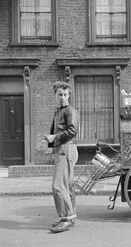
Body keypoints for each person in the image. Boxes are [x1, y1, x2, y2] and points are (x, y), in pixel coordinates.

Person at [44, 81, 79, 233]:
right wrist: (53, 141)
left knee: (58, 186)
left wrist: (54, 137)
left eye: (65, 94)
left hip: (67, 149)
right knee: (67, 185)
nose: (62, 97)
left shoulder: (70, 111)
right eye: (60, 94)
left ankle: (67, 218)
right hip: (62, 149)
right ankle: (69, 216)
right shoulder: (58, 111)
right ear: (55, 95)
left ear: (69, 95)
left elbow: (72, 131)